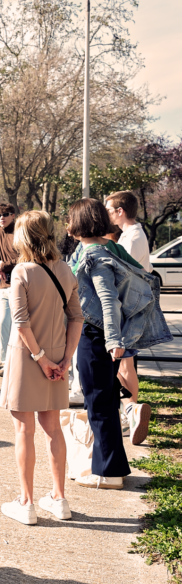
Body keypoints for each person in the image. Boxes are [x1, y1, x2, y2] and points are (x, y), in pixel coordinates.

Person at [68, 198, 172, 489]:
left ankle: (109, 474)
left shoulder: (94, 254)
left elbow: (109, 299)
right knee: (106, 401)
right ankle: (111, 467)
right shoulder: (111, 247)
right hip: (104, 336)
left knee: (98, 404)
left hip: (95, 336)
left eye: (69, 218)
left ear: (78, 222)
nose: (67, 224)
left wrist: (113, 340)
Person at [0, 211, 83, 525]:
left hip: (27, 358)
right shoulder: (65, 270)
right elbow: (76, 317)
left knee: (24, 430)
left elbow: (20, 323)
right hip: (58, 360)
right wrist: (65, 359)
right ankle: (59, 499)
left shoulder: (22, 271)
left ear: (23, 237)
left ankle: (27, 503)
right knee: (53, 430)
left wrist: (41, 359)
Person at [105, 190, 152, 445]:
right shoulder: (133, 235)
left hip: (127, 308)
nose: (107, 214)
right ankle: (131, 411)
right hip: (131, 306)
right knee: (126, 364)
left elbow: (121, 274)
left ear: (120, 211)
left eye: (109, 210)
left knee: (123, 364)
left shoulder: (131, 238)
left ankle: (131, 412)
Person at [0, 204, 19, 377]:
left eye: (5, 214)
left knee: (20, 325)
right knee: (3, 324)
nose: (2, 217)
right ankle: (5, 361)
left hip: (20, 283)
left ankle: (17, 361)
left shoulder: (20, 231)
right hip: (4, 285)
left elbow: (25, 256)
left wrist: (5, 265)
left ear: (13, 215)